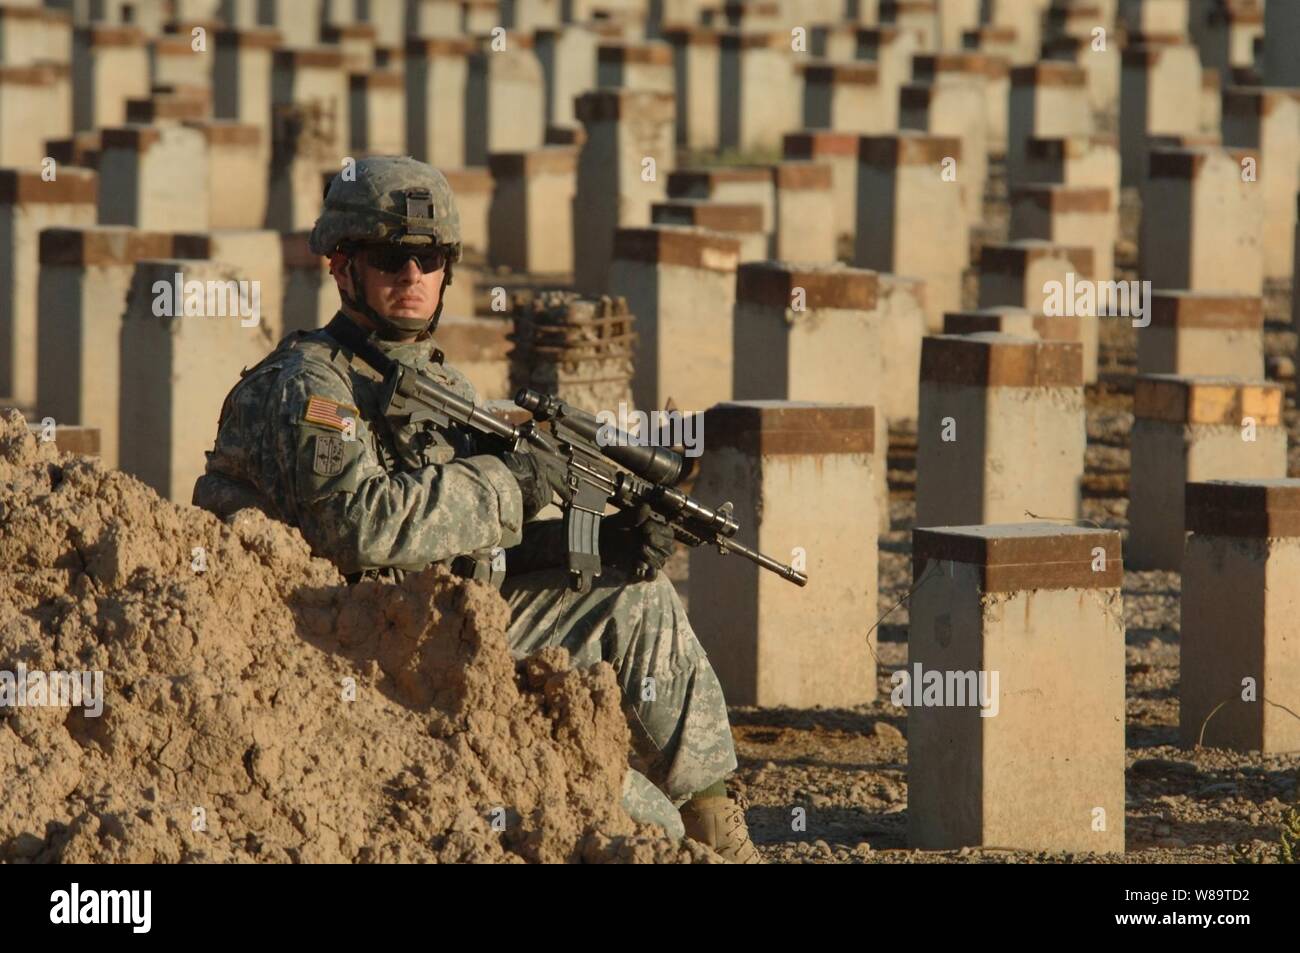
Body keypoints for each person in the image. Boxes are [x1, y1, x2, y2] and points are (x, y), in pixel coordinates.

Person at [192, 156, 760, 862]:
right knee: (647, 826)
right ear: (342, 266)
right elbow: (357, 527)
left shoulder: (441, 387)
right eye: (389, 257)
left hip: (439, 632)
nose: (411, 275)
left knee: (638, 596)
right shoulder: (309, 388)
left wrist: (584, 544)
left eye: (428, 258)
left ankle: (718, 820)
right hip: (346, 657)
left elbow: (466, 554)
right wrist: (509, 483)